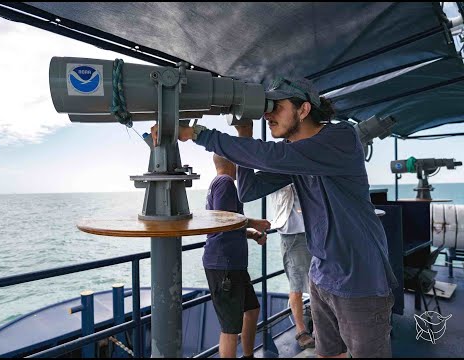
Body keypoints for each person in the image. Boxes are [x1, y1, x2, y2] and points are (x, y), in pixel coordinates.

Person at [151, 76, 398, 358]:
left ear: (304, 110)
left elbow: (270, 156)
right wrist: (244, 134)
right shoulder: (298, 158)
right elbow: (249, 190)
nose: (267, 114)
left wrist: (200, 135)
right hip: (321, 275)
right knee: (328, 353)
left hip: (360, 277)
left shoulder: (340, 138)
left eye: (275, 106)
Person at [204, 153, 271, 358]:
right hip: (224, 265)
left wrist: (251, 234)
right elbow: (226, 218)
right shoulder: (225, 182)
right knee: (230, 328)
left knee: (251, 310)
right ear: (232, 162)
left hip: (233, 264)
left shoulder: (218, 183)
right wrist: (254, 222)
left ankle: (248, 356)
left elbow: (224, 223)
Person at [269, 183, 314, 350]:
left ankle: (319, 326)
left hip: (313, 230)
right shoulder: (275, 172)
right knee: (296, 284)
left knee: (318, 283)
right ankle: (301, 330)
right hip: (291, 233)